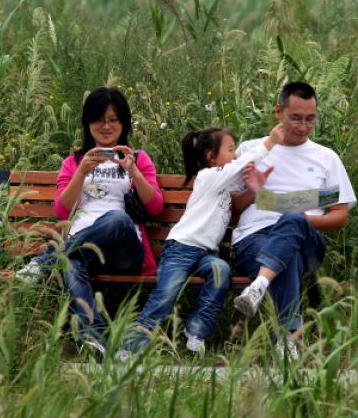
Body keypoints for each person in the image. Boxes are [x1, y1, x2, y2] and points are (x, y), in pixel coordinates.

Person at [15, 86, 163, 358]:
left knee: (117, 218)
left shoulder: (138, 159)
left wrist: (133, 171)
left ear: (124, 123)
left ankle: (45, 259)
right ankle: (96, 339)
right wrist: (82, 172)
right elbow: (62, 211)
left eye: (113, 120)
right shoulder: (74, 162)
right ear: (88, 123)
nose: (106, 126)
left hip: (124, 251)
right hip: (84, 250)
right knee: (70, 262)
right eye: (99, 120)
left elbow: (154, 206)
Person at [121, 123, 286, 357]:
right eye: (230, 149)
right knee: (165, 295)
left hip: (206, 254)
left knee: (221, 272)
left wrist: (254, 188)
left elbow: (239, 198)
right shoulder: (208, 177)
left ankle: (196, 331)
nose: (236, 154)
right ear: (211, 157)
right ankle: (132, 346)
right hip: (182, 247)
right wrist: (270, 141)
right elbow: (240, 165)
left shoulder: (225, 186)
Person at [230, 81, 356, 359]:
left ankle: (258, 287)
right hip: (255, 238)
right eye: (295, 118)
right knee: (286, 256)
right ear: (279, 112)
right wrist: (253, 188)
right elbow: (233, 209)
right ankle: (287, 340)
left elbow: (340, 215)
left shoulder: (326, 158)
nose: (303, 126)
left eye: (310, 119)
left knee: (292, 223)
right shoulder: (253, 149)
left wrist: (303, 221)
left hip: (307, 239)